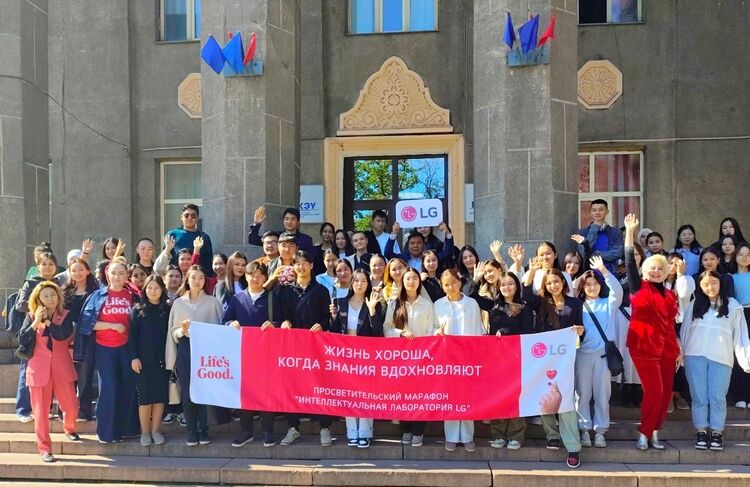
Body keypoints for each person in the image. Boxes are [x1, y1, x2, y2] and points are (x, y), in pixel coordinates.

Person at [623, 213, 681, 450]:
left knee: (666, 394)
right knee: (654, 392)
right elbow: (629, 261)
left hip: (667, 347)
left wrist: (678, 348)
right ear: (645, 271)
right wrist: (630, 231)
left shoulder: (669, 294)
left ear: (666, 271)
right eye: (652, 268)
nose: (656, 271)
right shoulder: (638, 287)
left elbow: (671, 324)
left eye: (660, 268)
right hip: (644, 345)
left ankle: (655, 431)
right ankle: (644, 432)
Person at [523, 264, 584, 468]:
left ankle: (573, 446)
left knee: (565, 400)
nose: (553, 285)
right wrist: (531, 271)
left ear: (563, 282)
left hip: (565, 359)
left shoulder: (575, 303)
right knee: (545, 398)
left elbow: (580, 329)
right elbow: (525, 295)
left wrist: (580, 331)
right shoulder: (541, 303)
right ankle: (552, 435)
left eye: (556, 281)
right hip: (543, 359)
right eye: (549, 283)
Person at [680, 270, 750, 450]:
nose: (710, 287)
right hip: (695, 356)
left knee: (718, 396)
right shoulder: (695, 304)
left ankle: (717, 431)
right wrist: (681, 354)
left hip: (722, 357)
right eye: (705, 284)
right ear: (700, 287)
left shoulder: (733, 306)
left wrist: (745, 359)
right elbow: (685, 330)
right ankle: (701, 430)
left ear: (720, 284)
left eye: (713, 283)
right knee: (699, 395)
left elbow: (740, 335)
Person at [77, 261, 140, 443]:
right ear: (107, 275)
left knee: (127, 388)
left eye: (121, 273)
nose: (117, 276)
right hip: (105, 348)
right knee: (109, 389)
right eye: (114, 273)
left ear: (127, 276)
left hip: (127, 348)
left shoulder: (133, 296)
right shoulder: (97, 296)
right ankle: (106, 433)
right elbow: (87, 324)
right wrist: (112, 326)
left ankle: (126, 429)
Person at [276, 251, 335, 447]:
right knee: (292, 386)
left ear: (311, 265)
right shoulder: (286, 291)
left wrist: (322, 325)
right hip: (292, 347)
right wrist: (284, 322)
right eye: (297, 263)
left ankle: (325, 427)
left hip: (316, 346)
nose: (300, 267)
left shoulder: (321, 291)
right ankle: (293, 427)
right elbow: (280, 316)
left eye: (304, 263)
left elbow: (328, 318)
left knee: (320, 385)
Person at [19, 282, 80, 462]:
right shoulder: (31, 316)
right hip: (38, 368)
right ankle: (45, 448)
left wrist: (47, 321)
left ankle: (70, 428)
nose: (50, 298)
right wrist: (36, 321)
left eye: (53, 295)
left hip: (62, 365)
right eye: (45, 295)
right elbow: (22, 338)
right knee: (40, 411)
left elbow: (62, 334)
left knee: (70, 405)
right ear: (38, 299)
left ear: (58, 296)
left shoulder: (66, 314)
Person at [165, 265, 223, 446]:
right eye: (193, 277)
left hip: (206, 351)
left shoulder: (213, 302)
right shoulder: (179, 303)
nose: (197, 281)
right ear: (187, 280)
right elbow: (172, 332)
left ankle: (203, 430)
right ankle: (191, 431)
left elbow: (221, 328)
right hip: (185, 348)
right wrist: (182, 331)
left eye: (201, 278)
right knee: (188, 392)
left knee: (203, 392)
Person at [223, 262, 279, 448]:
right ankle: (246, 431)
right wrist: (231, 324)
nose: (256, 279)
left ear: (265, 278)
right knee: (245, 393)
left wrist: (274, 325)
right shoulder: (237, 299)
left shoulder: (272, 298)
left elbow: (284, 321)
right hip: (243, 354)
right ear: (246, 277)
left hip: (267, 353)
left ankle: (267, 431)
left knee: (267, 393)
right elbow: (225, 320)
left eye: (260, 275)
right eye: (252, 275)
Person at [330, 269, 384, 448]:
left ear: (368, 284)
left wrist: (372, 311)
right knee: (349, 394)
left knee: (366, 394)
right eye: (356, 281)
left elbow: (378, 332)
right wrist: (333, 317)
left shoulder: (374, 303)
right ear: (351, 283)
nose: (359, 284)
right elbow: (334, 331)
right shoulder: (340, 303)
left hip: (366, 354)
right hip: (346, 354)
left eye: (363, 281)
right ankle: (352, 432)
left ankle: (365, 432)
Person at [576, 256, 623, 449]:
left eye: (595, 283)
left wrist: (604, 271)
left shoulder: (608, 303)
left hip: (603, 355)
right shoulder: (577, 305)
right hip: (582, 355)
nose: (592, 287)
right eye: (587, 284)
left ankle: (601, 431)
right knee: (582, 393)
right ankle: (584, 429)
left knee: (602, 394)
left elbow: (617, 291)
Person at [383, 268, 434, 447]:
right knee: (403, 395)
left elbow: (431, 329)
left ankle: (418, 431)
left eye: (414, 278)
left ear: (419, 281)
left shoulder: (427, 305)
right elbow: (386, 328)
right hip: (400, 358)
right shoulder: (394, 304)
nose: (411, 282)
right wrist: (400, 332)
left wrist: (426, 349)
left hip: (422, 357)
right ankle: (406, 429)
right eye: (408, 279)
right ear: (402, 282)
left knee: (420, 396)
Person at [434, 269, 483, 453]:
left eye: (453, 282)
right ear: (442, 286)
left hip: (468, 356)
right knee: (450, 397)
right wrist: (437, 333)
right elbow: (433, 328)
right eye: (446, 284)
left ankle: (468, 437)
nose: (451, 287)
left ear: (460, 282)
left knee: (467, 397)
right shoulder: (438, 304)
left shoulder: (471, 303)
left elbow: (478, 328)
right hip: (447, 356)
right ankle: (452, 437)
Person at [483, 271, 533, 450]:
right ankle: (498, 434)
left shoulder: (525, 309)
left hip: (516, 358)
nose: (507, 287)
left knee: (515, 397)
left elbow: (528, 333)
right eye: (503, 284)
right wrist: (478, 277)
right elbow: (472, 296)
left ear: (517, 286)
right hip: (496, 359)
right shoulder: (494, 306)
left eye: (510, 283)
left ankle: (516, 435)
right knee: (498, 397)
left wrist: (508, 332)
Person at [14, 251, 66, 423]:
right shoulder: (30, 283)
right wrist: (38, 306)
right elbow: (20, 305)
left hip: (53, 331)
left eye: (51, 264)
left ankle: (47, 409)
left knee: (49, 374)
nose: (48, 267)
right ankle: (23, 409)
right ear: (38, 267)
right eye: (44, 264)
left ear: (56, 267)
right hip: (33, 331)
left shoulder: (58, 284)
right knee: (26, 372)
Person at [128, 275, 171, 447]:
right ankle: (145, 432)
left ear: (162, 289)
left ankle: (155, 430)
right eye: (150, 288)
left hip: (162, 360)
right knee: (145, 399)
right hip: (143, 361)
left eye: (157, 288)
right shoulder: (137, 309)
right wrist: (134, 357)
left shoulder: (167, 309)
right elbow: (132, 336)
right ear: (145, 290)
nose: (153, 291)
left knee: (159, 397)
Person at [62, 259, 99, 422]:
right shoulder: (65, 292)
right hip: (67, 339)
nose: (77, 273)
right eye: (74, 270)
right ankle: (66, 410)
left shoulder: (95, 292)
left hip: (88, 338)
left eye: (81, 269)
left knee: (84, 375)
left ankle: (84, 411)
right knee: (67, 376)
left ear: (88, 271)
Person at [166, 203, 215, 277]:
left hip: (197, 279)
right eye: (186, 215)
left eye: (193, 216)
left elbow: (208, 263)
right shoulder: (172, 235)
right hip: (176, 278)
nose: (189, 218)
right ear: (181, 217)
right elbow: (165, 259)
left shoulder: (204, 237)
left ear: (197, 218)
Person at [576, 199, 624, 272]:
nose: (597, 213)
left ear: (607, 211)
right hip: (589, 272)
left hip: (610, 272)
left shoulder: (616, 232)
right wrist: (594, 228)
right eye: (594, 210)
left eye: (601, 210)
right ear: (590, 212)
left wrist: (596, 254)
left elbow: (618, 253)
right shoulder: (582, 232)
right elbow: (583, 252)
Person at [385, 222, 454, 271]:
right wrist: (394, 234)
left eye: (419, 243)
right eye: (412, 243)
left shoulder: (430, 259)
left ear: (423, 245)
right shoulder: (402, 259)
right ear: (408, 245)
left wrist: (447, 233)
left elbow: (447, 253)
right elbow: (387, 253)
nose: (415, 245)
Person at [731, 242, 750, 408]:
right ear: (735, 257)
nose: (744, 258)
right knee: (739, 353)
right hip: (738, 314)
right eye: (741, 254)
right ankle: (739, 396)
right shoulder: (730, 277)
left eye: (748, 255)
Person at [248, 206, 314, 253]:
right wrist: (257, 223)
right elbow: (252, 240)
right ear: (283, 221)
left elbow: (310, 259)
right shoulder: (276, 236)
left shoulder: (306, 239)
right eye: (287, 219)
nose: (289, 222)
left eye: (293, 219)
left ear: (298, 222)